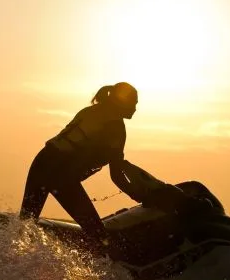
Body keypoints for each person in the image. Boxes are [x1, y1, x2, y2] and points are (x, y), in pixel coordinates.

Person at [19, 82, 144, 242]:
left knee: (25, 223)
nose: (135, 108)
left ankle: (2, 261)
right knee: (99, 237)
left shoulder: (90, 111)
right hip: (62, 175)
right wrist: (140, 197)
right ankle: (106, 263)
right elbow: (116, 175)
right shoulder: (116, 128)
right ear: (121, 102)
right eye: (133, 103)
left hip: (42, 162)